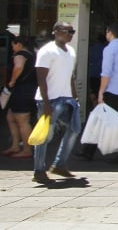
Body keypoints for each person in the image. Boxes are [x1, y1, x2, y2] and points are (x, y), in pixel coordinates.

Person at [32, 22, 82, 184]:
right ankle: (39, 170)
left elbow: (71, 76)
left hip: (67, 98)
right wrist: (46, 103)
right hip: (50, 99)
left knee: (75, 128)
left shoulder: (71, 51)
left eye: (72, 31)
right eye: (67, 31)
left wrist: (75, 97)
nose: (70, 34)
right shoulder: (47, 51)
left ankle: (59, 164)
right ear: (55, 32)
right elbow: (41, 78)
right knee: (45, 136)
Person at [80, 22, 118, 163]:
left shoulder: (109, 49)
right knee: (105, 120)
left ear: (109, 32)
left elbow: (106, 73)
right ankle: (88, 151)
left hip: (110, 91)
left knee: (108, 121)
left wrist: (100, 92)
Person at [2, 35, 37, 159]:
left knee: (22, 120)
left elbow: (18, 66)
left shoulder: (20, 54)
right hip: (28, 90)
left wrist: (12, 80)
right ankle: (15, 145)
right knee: (11, 117)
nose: (12, 48)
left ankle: (27, 149)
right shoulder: (32, 54)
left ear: (19, 45)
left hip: (22, 90)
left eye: (13, 45)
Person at [87, 33, 105, 109]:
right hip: (102, 75)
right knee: (100, 93)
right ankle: (99, 108)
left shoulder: (92, 48)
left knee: (93, 92)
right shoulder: (105, 49)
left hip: (92, 73)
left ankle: (94, 107)